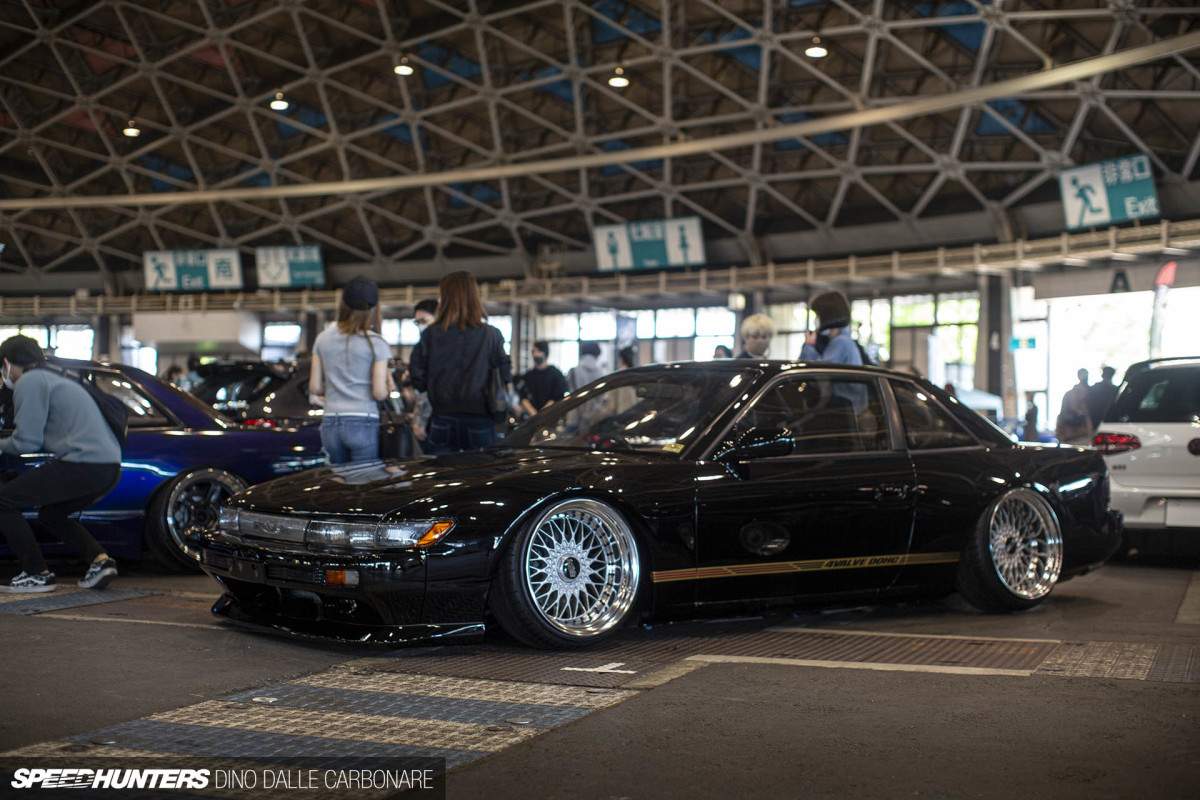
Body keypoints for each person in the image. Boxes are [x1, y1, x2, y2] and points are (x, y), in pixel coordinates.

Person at [0, 335, 121, 593]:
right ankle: (100, 561)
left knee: (3, 501)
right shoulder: (54, 378)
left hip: (82, 464)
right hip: (109, 468)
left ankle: (37, 573)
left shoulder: (29, 381)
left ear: (7, 363)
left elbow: (26, 442)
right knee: (51, 515)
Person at [408, 271, 512, 454]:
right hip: (480, 418)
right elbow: (505, 374)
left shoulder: (430, 335)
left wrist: (431, 387)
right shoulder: (491, 334)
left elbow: (417, 374)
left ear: (444, 298)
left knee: (443, 471)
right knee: (481, 471)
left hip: (442, 418)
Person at [309, 275, 392, 464]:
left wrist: (336, 386)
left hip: (330, 420)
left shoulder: (322, 339)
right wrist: (389, 387)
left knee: (338, 479)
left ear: (343, 305)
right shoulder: (376, 343)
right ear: (374, 308)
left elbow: (314, 387)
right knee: (363, 479)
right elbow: (379, 393)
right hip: (363, 420)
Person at [800, 289, 864, 366]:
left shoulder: (841, 342)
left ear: (827, 315)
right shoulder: (841, 340)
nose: (815, 319)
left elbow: (819, 368)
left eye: (817, 315)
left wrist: (809, 344)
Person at [409, 298, 438, 444]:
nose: (421, 326)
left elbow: (426, 389)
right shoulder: (422, 347)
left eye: (424, 321)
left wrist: (420, 419)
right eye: (417, 322)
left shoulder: (428, 348)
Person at [518, 340, 567, 416]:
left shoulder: (556, 374)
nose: (535, 354)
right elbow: (523, 397)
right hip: (531, 417)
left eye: (538, 351)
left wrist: (542, 414)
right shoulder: (528, 376)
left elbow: (558, 396)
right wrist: (534, 414)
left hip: (551, 415)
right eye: (533, 351)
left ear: (545, 353)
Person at [1055, 368, 1092, 445]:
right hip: (1069, 435)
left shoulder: (1091, 393)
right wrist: (1060, 433)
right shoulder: (1069, 394)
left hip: (1084, 436)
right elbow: (1062, 414)